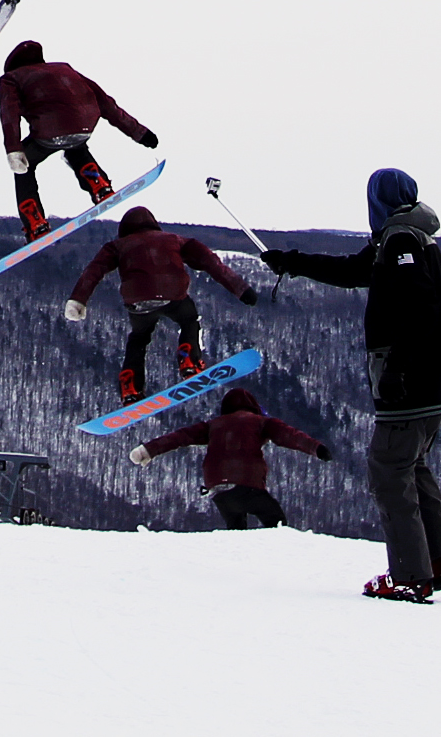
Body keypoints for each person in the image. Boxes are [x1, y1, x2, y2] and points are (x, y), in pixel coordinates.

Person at [264, 169, 441, 602]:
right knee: (411, 468)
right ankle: (432, 563)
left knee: (388, 472)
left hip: (409, 384)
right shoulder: (408, 238)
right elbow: (352, 271)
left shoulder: (400, 241)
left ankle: (409, 576)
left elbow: (422, 309)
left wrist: (398, 367)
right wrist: (293, 262)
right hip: (428, 382)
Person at [67, 206, 255, 402]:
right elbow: (211, 262)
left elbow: (93, 271)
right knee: (189, 320)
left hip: (138, 300)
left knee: (138, 338)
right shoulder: (174, 239)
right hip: (173, 294)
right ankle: (189, 359)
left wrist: (78, 300)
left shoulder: (117, 246)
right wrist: (241, 289)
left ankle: (131, 385)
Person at [0, 40, 159, 239]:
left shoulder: (11, 78)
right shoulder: (65, 69)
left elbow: (9, 115)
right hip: (84, 126)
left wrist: (13, 150)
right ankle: (99, 185)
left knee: (24, 167)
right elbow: (106, 103)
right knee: (76, 148)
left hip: (48, 130)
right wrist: (141, 134)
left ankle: (35, 222)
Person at [129, 386, 330, 529]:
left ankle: (236, 571)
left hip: (218, 489)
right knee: (276, 524)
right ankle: (276, 568)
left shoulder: (213, 424)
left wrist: (147, 451)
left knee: (235, 531)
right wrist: (317, 449)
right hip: (247, 485)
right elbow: (290, 436)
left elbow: (179, 437)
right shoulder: (260, 422)